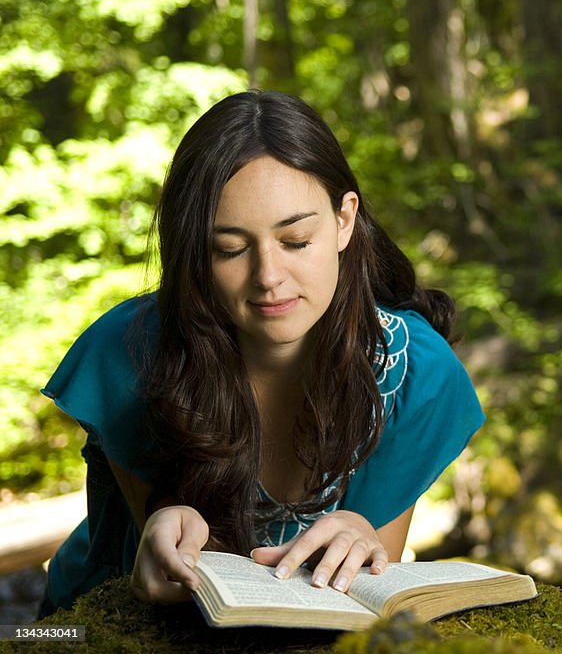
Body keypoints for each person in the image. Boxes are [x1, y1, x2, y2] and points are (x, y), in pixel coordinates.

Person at [38, 90, 485, 616]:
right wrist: (162, 523)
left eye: (295, 240)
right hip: (84, 625)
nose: (269, 278)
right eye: (229, 249)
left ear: (344, 220)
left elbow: (362, 600)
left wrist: (361, 536)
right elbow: (165, 585)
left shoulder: (416, 374)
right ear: (193, 250)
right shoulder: (127, 352)